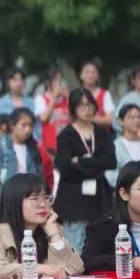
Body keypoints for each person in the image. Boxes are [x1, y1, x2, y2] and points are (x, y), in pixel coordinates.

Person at [54, 88, 116, 252]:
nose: (87, 110)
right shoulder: (66, 135)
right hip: (74, 199)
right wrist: (96, 165)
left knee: (100, 245)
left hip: (100, 198)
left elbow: (110, 161)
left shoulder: (102, 133)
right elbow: (64, 166)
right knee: (75, 247)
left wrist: (80, 161)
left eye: (90, 105)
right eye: (82, 106)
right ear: (74, 108)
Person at [0, 174, 84, 279]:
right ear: (14, 202)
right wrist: (41, 269)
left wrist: (54, 235)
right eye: (35, 198)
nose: (43, 204)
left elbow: (76, 269)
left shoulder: (48, 233)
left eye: (46, 197)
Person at [0, 108, 50, 205]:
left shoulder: (33, 148)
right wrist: (0, 194)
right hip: (6, 201)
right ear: (12, 125)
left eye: (30, 126)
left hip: (29, 200)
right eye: (23, 125)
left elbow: (39, 174)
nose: (27, 129)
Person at [35, 65, 70, 156]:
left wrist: (69, 97)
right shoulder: (41, 98)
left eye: (60, 79)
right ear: (47, 82)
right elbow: (43, 118)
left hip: (69, 144)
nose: (58, 82)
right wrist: (54, 97)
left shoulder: (67, 98)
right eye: (55, 79)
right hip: (50, 146)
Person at [77, 61, 115, 129]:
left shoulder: (105, 94)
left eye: (93, 72)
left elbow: (109, 119)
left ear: (98, 76)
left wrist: (86, 118)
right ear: (81, 76)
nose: (90, 75)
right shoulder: (75, 95)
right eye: (87, 72)